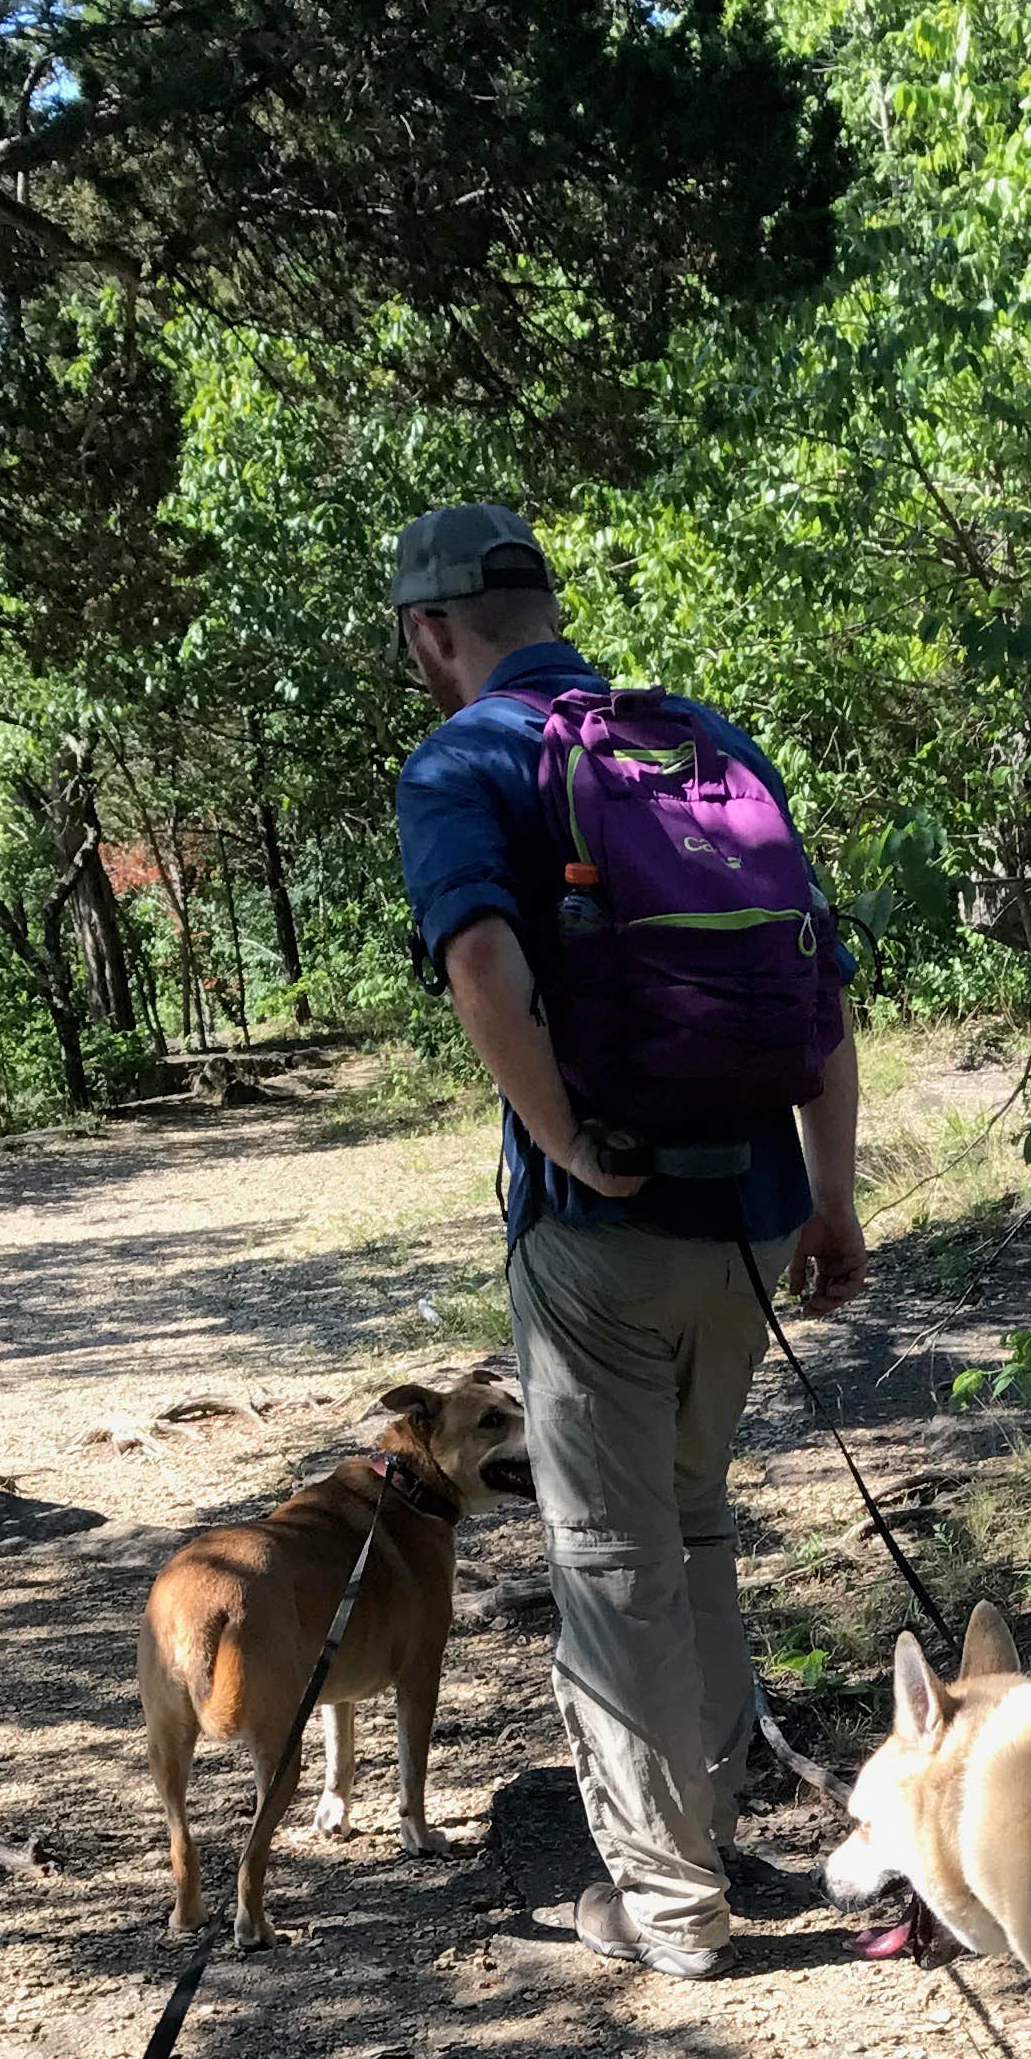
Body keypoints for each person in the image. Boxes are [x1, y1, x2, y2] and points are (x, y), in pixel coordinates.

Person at [390, 500, 868, 1979]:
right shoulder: (702, 740)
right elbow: (821, 986)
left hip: (599, 1230)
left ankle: (669, 1906)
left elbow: (482, 960)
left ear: (432, 630)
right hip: (747, 1221)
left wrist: (560, 1139)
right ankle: (708, 1826)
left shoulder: (465, 760)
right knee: (696, 1518)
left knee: (610, 1556)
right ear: (547, 601)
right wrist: (832, 1196)